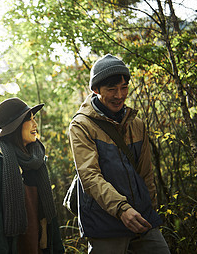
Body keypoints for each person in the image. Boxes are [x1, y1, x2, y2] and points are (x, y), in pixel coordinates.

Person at [68, 54, 170, 253]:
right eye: (112, 89)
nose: (119, 95)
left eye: (124, 87)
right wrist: (122, 209)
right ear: (96, 90)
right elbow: (90, 177)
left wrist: (150, 209)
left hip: (141, 217)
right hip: (104, 222)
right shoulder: (82, 125)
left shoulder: (136, 123)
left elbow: (146, 173)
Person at [0, 97, 65, 254]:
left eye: (34, 119)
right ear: (15, 127)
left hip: (38, 245)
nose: (35, 125)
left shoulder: (37, 160)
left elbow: (50, 216)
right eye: (29, 120)